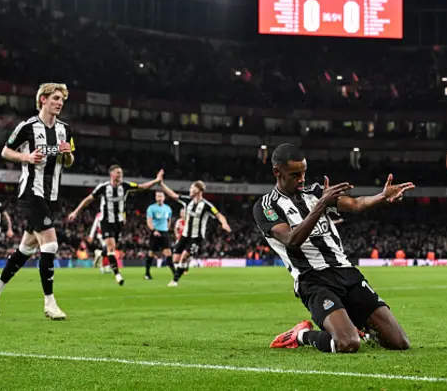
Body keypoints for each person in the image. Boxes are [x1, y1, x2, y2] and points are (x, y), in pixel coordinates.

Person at [253, 143, 414, 353]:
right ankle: (301, 335)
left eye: (303, 173)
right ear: (277, 172)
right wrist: (321, 205)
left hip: (346, 273)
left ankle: (354, 323)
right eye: (295, 174)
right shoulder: (266, 206)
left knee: (399, 343)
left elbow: (356, 204)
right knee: (348, 343)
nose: (301, 179)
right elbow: (292, 240)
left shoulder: (316, 192)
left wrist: (382, 197)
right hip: (313, 280)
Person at [0, 82, 74, 320]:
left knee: (26, 248)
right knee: (51, 244)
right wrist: (26, 156)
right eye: (55, 98)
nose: (60, 102)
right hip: (31, 192)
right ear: (43, 99)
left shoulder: (65, 129)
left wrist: (67, 154)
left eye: (62, 99)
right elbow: (5, 151)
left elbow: (69, 162)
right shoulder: (28, 127)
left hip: (52, 194)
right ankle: (49, 303)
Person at [67, 165, 164, 286]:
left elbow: (142, 187)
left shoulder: (125, 186)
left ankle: (99, 253)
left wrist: (156, 180)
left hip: (118, 222)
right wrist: (76, 212)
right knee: (111, 249)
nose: (120, 175)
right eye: (118, 173)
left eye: (121, 173)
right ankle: (117, 274)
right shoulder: (103, 187)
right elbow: (88, 199)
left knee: (111, 247)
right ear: (112, 174)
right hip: (106, 221)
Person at [160, 180, 231, 287]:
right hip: (184, 236)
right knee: (175, 259)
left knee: (184, 256)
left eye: (191, 188)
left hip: (196, 237)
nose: (189, 190)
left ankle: (175, 281)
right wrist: (161, 183)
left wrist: (224, 223)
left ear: (197, 190)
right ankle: (185, 263)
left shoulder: (207, 205)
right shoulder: (187, 201)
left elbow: (219, 215)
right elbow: (172, 195)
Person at [146, 191, 175, 279]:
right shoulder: (151, 208)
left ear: (164, 198)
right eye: (158, 196)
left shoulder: (168, 208)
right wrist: (153, 230)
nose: (159, 198)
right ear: (155, 198)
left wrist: (167, 229)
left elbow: (169, 220)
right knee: (151, 253)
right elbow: (149, 221)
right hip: (155, 232)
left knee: (168, 253)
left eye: (161, 196)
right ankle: (147, 273)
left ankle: (175, 274)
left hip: (164, 232)